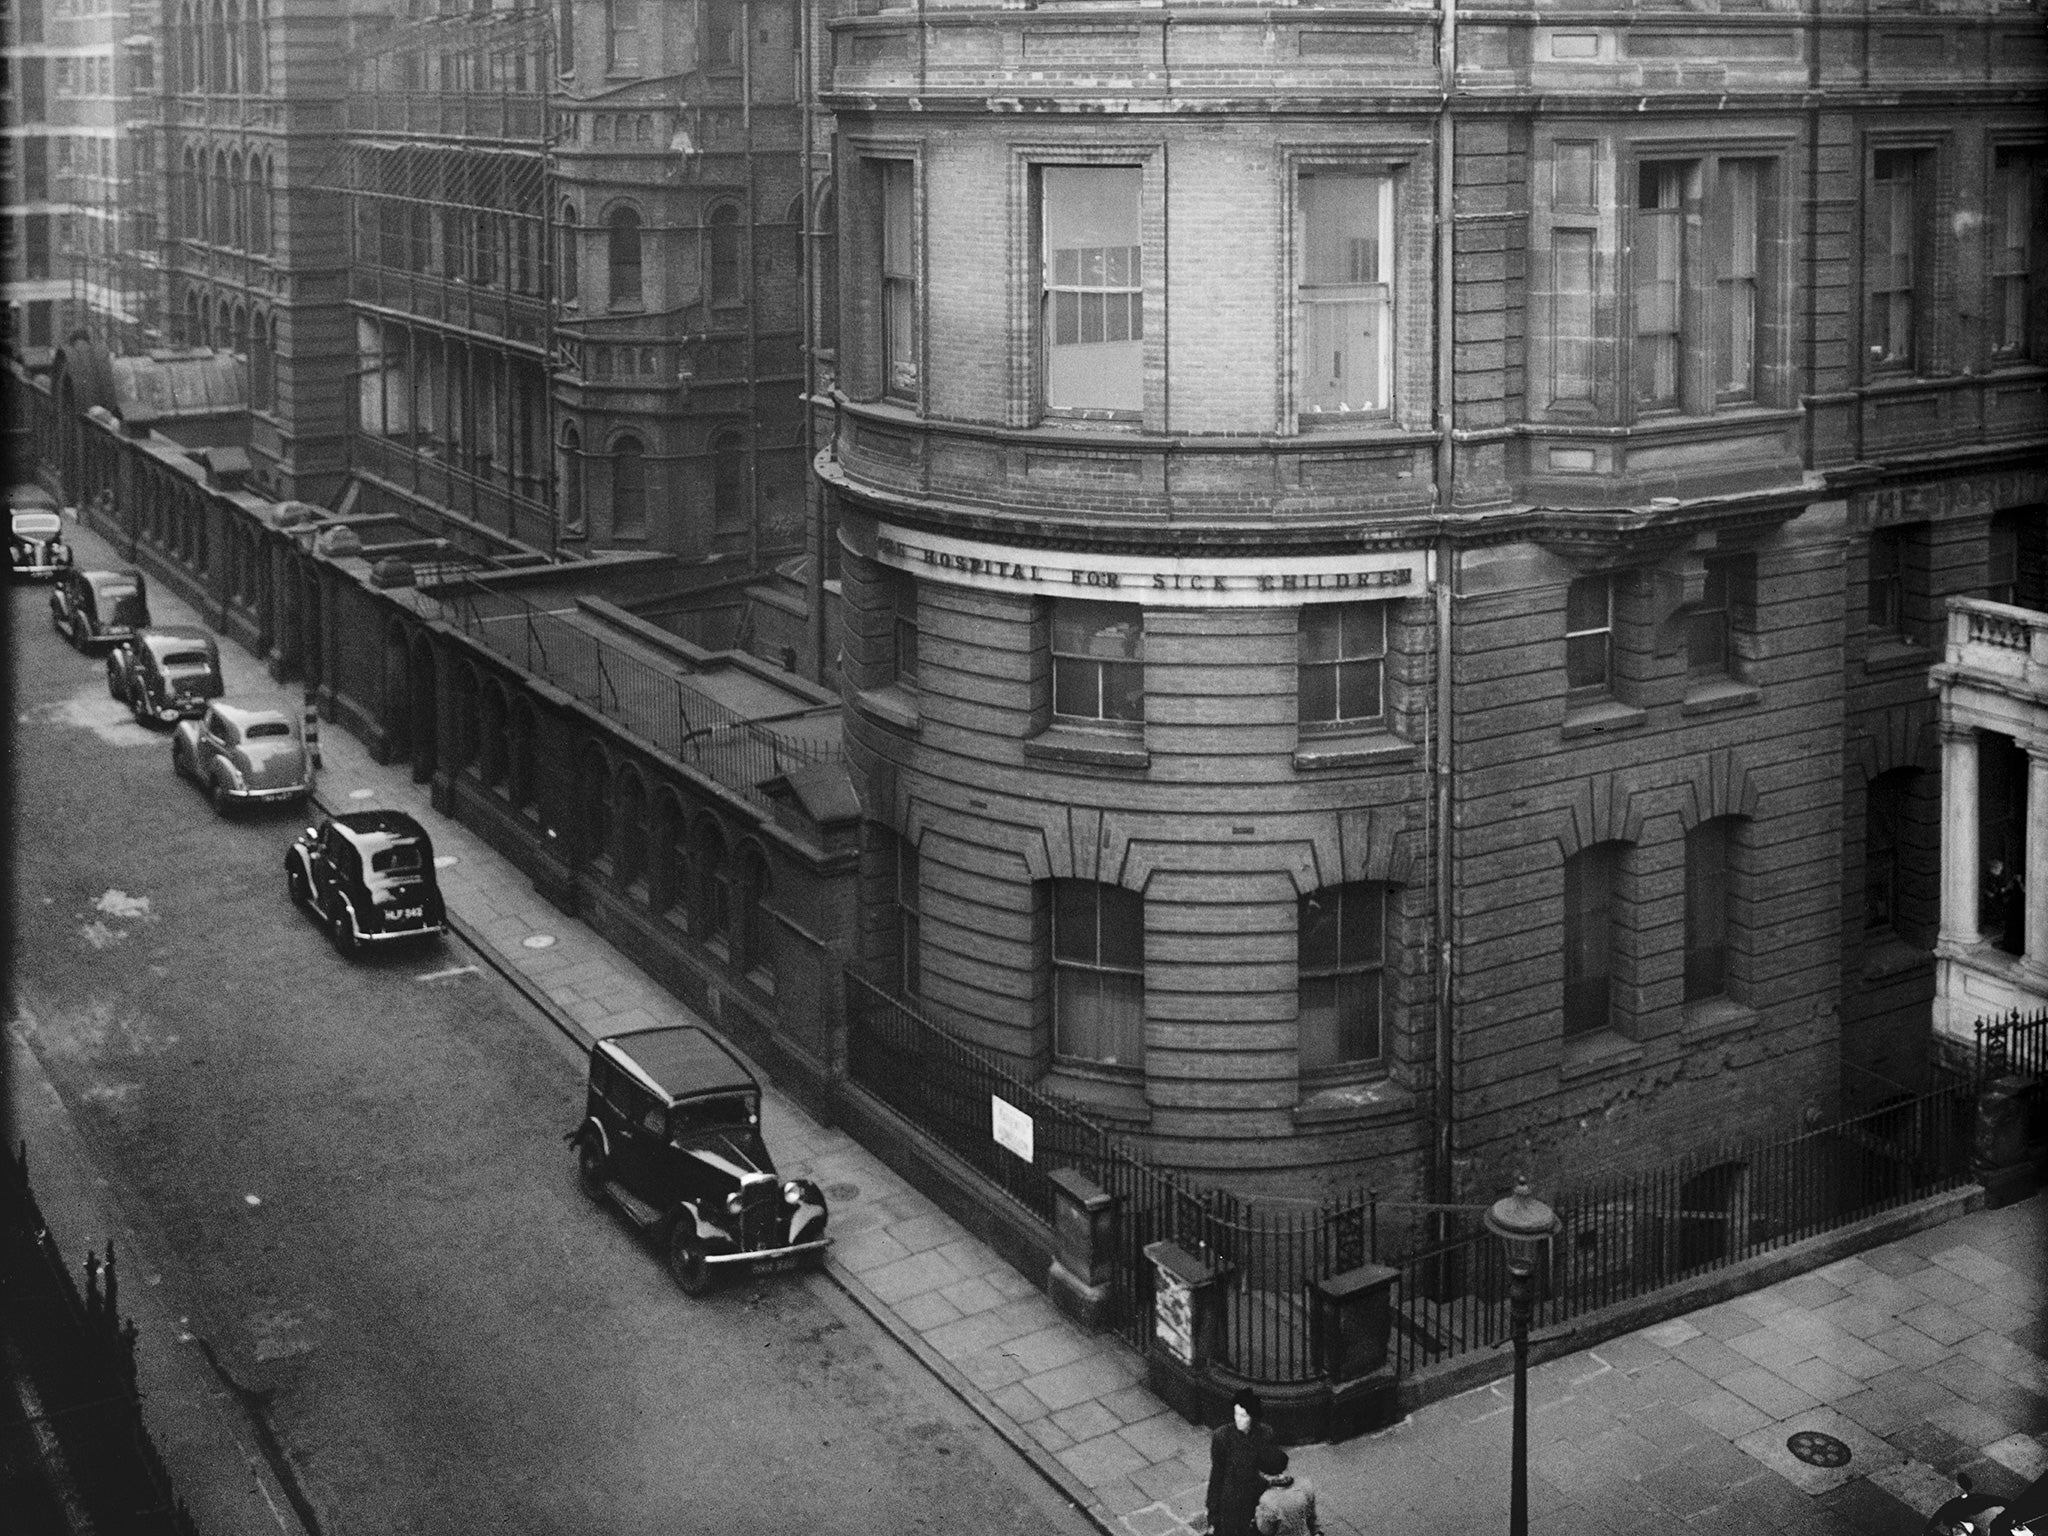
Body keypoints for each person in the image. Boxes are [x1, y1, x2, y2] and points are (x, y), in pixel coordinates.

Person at [1205, 1388, 1276, 1536]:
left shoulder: (1265, 1434)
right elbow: (1217, 1474)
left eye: (1243, 1415)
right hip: (1231, 1501)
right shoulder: (1222, 1437)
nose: (1238, 1419)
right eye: (1236, 1414)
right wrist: (1213, 1514)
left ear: (1253, 1417)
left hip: (1255, 1500)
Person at [1253, 1443, 1320, 1536]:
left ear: (1264, 1474)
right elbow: (1312, 1517)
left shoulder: (1267, 1500)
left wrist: (1257, 1515)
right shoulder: (1305, 1485)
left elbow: (1266, 1530)